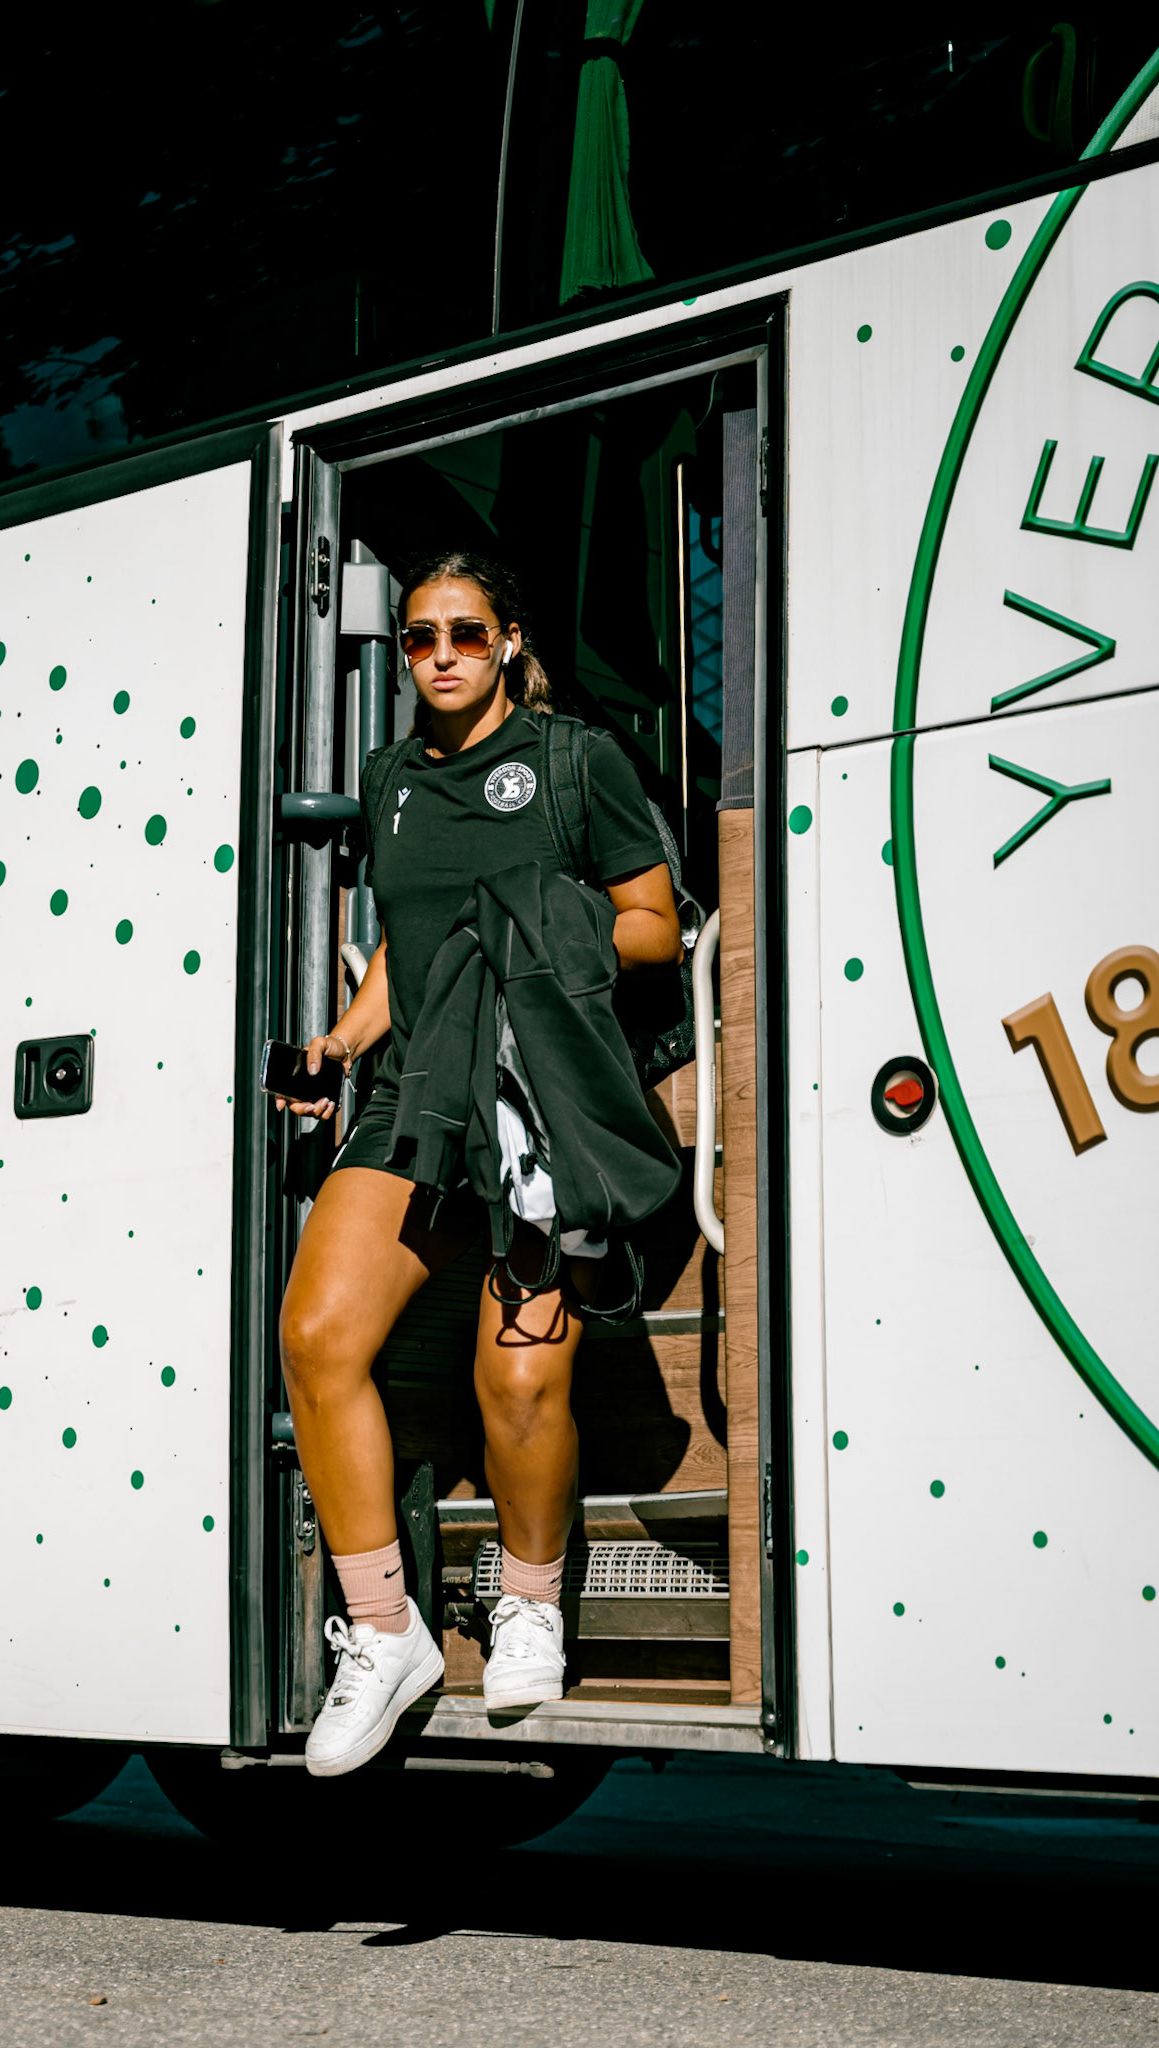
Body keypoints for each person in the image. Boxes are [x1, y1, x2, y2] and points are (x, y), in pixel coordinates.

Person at [277, 550, 681, 1778]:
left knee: (517, 1382)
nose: (440, 654)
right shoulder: (391, 778)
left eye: (464, 631)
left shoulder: (574, 760)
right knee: (317, 1336)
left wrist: (540, 920)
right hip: (413, 1098)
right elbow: (405, 948)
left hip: (534, 1094)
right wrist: (341, 1041)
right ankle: (384, 1629)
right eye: (418, 637)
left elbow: (655, 923)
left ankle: (531, 1603)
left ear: (508, 640)